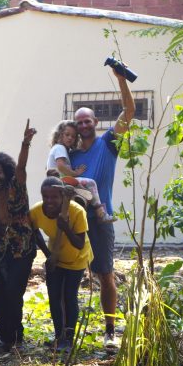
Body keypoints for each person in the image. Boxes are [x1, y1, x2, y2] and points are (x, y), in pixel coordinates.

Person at [70, 69, 134, 350]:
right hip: (73, 219)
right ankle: (66, 331)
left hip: (101, 217)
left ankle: (110, 329)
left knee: (105, 273)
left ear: (95, 122)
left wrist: (120, 80)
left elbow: (129, 110)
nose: (83, 125)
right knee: (67, 274)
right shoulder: (69, 154)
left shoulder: (108, 142)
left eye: (87, 120)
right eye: (79, 122)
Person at [0, 122, 37, 353]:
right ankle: (4, 338)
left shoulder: (16, 185)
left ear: (5, 171)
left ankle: (16, 336)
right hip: (0, 249)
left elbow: (22, 166)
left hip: (23, 246)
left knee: (14, 291)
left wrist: (25, 143)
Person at [30, 178, 92, 351]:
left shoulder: (76, 211)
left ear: (62, 197)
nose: (49, 201)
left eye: (54, 197)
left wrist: (66, 227)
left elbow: (79, 243)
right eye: (46, 197)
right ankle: (59, 337)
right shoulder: (36, 211)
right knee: (54, 296)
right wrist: (49, 255)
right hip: (55, 256)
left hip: (76, 257)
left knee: (69, 296)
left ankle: (69, 339)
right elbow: (34, 232)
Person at [46, 120, 114, 222]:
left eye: (73, 136)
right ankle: (100, 211)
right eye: (67, 135)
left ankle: (88, 210)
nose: (70, 138)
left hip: (58, 182)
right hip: (62, 181)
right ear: (60, 135)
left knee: (83, 193)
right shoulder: (60, 148)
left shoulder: (58, 149)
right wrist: (75, 173)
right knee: (90, 183)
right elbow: (61, 166)